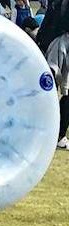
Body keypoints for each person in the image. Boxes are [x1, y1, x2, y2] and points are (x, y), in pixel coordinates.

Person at [44, 21, 69, 151]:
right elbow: (52, 66)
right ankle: (59, 136)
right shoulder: (61, 42)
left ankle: (59, 135)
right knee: (64, 101)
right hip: (57, 73)